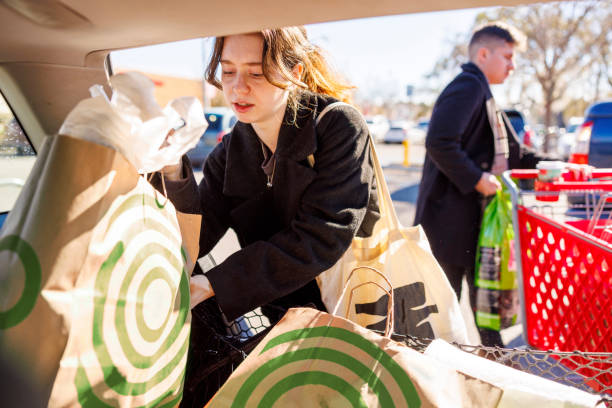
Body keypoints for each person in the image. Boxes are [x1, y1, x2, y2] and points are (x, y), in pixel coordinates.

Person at [158, 26, 378, 324]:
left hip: (357, 306)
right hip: (283, 318)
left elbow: (324, 234)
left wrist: (214, 284)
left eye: (256, 74)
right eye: (228, 71)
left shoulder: (338, 125)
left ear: (296, 73)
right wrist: (171, 168)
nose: (238, 88)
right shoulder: (234, 146)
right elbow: (200, 228)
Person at [414, 22, 543, 347]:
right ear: (484, 54)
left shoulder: (483, 92)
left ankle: (493, 358)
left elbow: (516, 154)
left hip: (473, 224)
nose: (513, 65)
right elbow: (440, 142)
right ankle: (438, 375)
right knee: (443, 310)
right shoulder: (468, 86)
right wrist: (477, 179)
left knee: (483, 307)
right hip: (447, 224)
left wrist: (557, 166)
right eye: (508, 56)